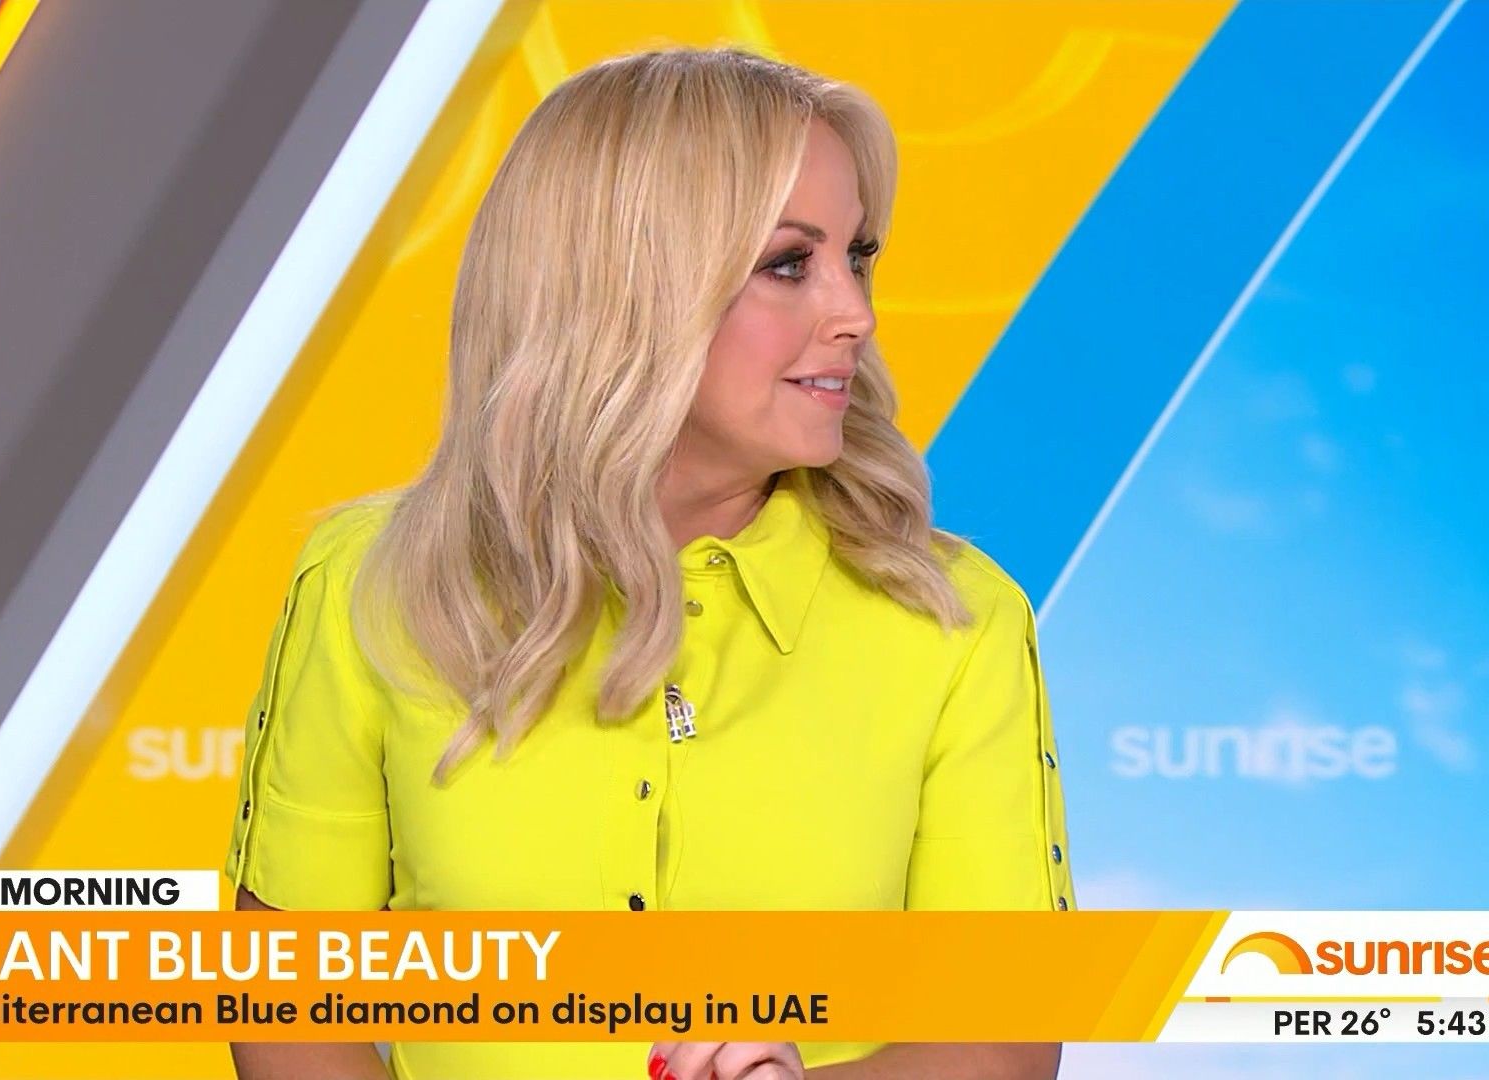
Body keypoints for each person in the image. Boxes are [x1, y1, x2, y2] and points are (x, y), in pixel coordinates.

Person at [225, 45, 1073, 1080]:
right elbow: (288, 997)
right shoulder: (370, 583)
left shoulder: (954, 620)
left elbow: (1004, 1038)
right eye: (789, 264)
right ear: (625, 288)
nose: (855, 314)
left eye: (857, 257)